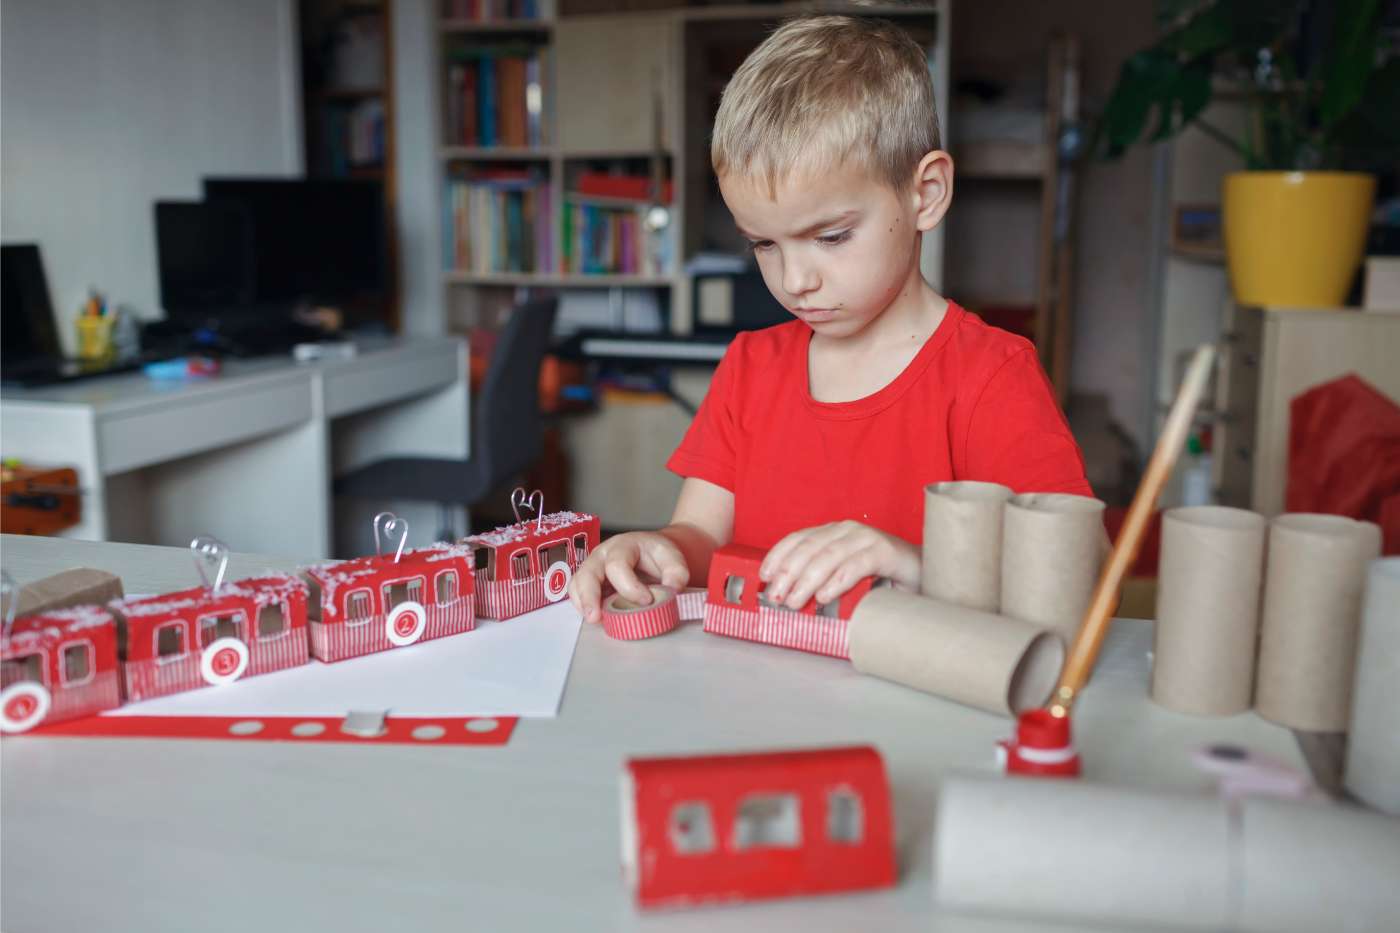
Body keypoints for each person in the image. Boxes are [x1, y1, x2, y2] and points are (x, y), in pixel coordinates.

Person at [568, 14, 1093, 626]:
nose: (795, 280)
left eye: (832, 236)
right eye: (763, 244)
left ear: (925, 193)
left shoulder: (991, 376)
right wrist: (660, 549)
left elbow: (1080, 576)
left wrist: (916, 564)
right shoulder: (749, 366)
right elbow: (701, 538)